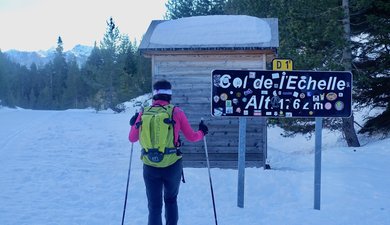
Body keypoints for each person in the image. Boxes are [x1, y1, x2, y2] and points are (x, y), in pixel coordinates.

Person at [129, 79, 208, 225]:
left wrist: (134, 123)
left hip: (150, 165)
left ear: (154, 95)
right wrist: (202, 132)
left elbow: (132, 138)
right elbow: (191, 137)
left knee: (154, 206)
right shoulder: (176, 112)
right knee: (171, 201)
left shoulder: (144, 112)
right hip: (172, 164)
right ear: (169, 94)